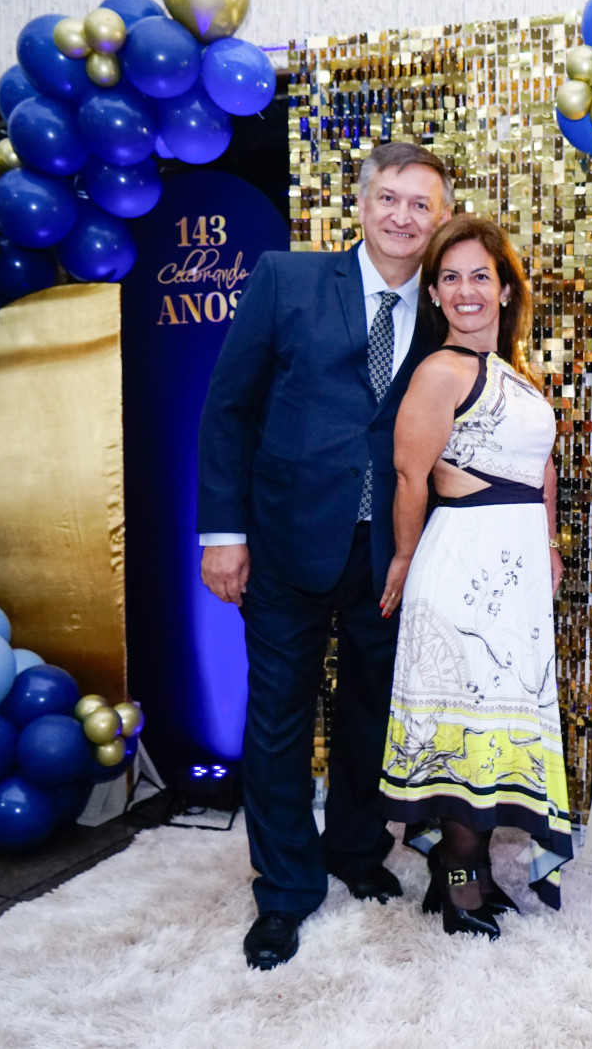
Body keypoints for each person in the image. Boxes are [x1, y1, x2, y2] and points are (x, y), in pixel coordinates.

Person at [195, 141, 453, 970]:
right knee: (277, 722)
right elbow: (229, 409)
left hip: (392, 553)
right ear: (363, 204)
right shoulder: (287, 278)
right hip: (283, 543)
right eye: (390, 198)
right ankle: (283, 890)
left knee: (371, 712)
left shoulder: (448, 306)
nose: (403, 216)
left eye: (421, 204)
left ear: (440, 217)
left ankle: (353, 849)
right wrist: (222, 533)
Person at [376, 215, 572, 939]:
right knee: (465, 742)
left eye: (480, 276)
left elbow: (541, 468)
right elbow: (410, 475)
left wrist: (549, 544)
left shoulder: (514, 373)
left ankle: (473, 874)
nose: (466, 290)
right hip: (463, 569)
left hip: (514, 575)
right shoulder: (441, 371)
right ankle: (459, 884)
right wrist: (403, 557)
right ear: (433, 293)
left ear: (505, 289)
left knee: (489, 739)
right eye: (450, 277)